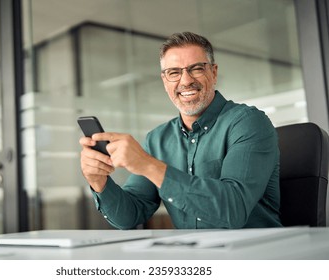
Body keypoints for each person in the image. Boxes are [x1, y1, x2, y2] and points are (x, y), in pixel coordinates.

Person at [79, 31, 282, 229]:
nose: (185, 81)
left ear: (214, 72)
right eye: (174, 72)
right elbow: (129, 216)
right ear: (164, 80)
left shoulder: (248, 122)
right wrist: (99, 182)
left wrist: (147, 165)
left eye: (196, 68)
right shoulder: (157, 139)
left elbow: (233, 209)